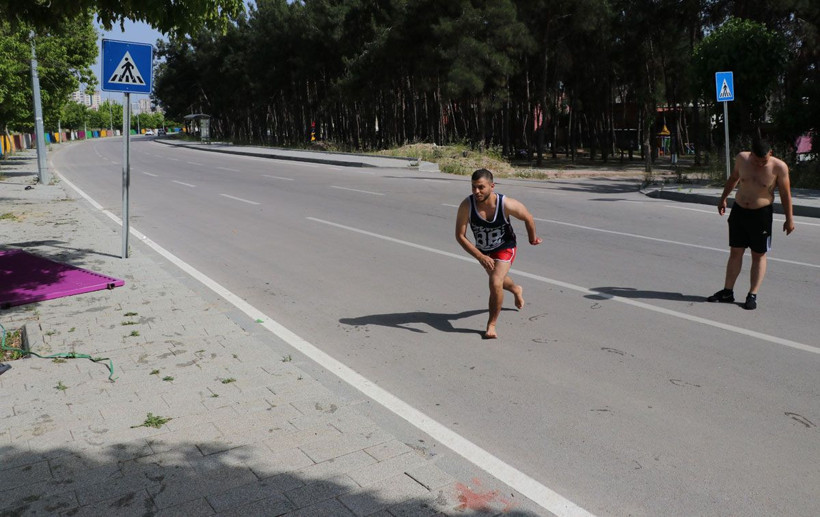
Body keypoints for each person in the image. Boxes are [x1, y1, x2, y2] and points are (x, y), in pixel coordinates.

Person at [707, 138, 795, 310]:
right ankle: (727, 292)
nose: (760, 164)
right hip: (739, 211)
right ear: (751, 153)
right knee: (735, 252)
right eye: (756, 159)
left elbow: (786, 194)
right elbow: (733, 179)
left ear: (771, 153)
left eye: (764, 161)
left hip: (761, 215)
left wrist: (789, 219)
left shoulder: (779, 167)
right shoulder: (742, 159)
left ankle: (752, 294)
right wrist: (723, 199)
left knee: (758, 254)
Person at [455, 169, 542, 338]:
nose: (476, 192)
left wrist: (532, 239)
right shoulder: (467, 205)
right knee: (499, 281)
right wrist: (480, 256)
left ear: (492, 186)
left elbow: (528, 217)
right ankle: (516, 289)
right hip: (483, 251)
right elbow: (460, 236)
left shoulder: (505, 204)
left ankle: (491, 325)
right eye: (473, 187)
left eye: (481, 187)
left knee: (495, 281)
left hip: (505, 247)